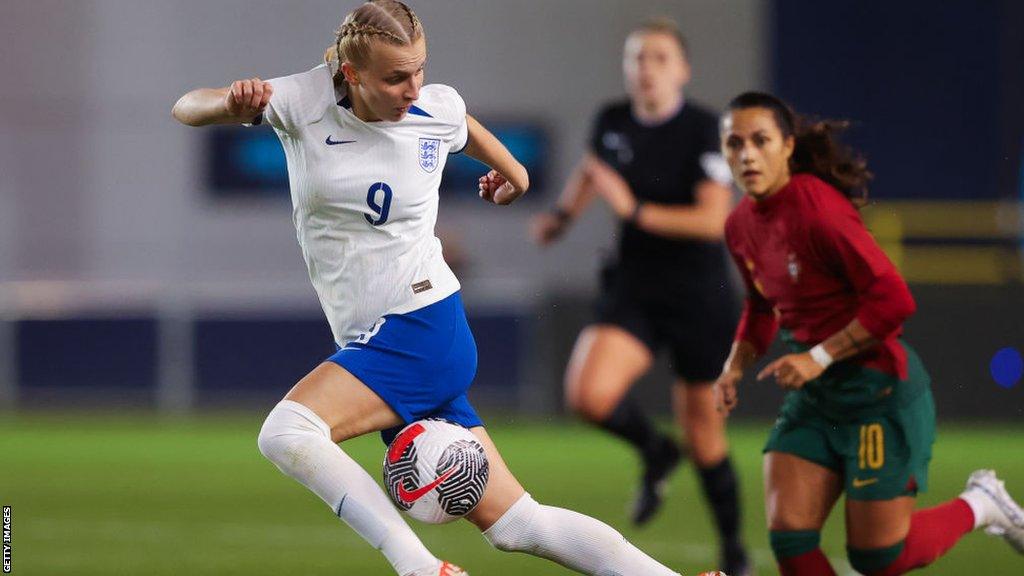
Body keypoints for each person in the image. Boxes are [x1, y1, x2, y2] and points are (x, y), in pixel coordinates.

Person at [172, 2, 686, 575]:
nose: (413, 87)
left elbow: (471, 134)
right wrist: (230, 101)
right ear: (351, 72)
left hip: (419, 325)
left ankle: (418, 568)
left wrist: (514, 179)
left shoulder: (433, 106)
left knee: (288, 432)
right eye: (395, 76)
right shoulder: (299, 102)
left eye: (419, 69)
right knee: (520, 524)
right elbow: (185, 107)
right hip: (385, 338)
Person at [715, 91, 1024, 576]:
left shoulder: (819, 210)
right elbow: (759, 305)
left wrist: (817, 357)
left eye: (760, 140)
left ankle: (982, 504)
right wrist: (734, 366)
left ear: (788, 146)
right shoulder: (738, 226)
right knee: (791, 539)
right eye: (735, 143)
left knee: (878, 556)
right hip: (816, 398)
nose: (747, 154)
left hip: (877, 391)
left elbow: (896, 301)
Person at [531, 18, 750, 575]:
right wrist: (561, 215)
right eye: (636, 58)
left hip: (700, 295)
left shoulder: (704, 129)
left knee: (706, 436)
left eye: (658, 57)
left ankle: (733, 551)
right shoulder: (612, 119)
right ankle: (656, 451)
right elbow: (592, 170)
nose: (645, 68)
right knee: (587, 395)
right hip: (634, 287)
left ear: (682, 70)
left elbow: (710, 220)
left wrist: (633, 211)